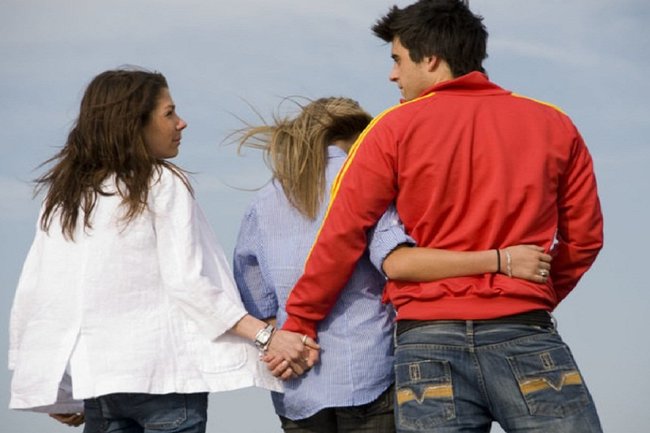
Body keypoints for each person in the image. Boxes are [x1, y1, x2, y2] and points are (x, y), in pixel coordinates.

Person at [276, 1, 604, 432]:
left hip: (427, 345)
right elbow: (584, 239)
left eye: (397, 59)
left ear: (430, 59)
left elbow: (342, 234)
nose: (392, 74)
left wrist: (300, 320)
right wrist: (531, 293)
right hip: (524, 332)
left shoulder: (391, 129)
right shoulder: (554, 124)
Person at [8, 68, 318, 433]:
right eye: (169, 113)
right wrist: (266, 336)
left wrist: (58, 387)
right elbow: (188, 283)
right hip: (166, 379)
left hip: (101, 383)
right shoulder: (160, 182)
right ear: (134, 123)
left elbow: (41, 294)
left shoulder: (66, 196)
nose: (181, 123)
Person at [233, 97, 555, 433]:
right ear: (363, 137)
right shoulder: (364, 181)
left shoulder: (264, 200)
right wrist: (500, 260)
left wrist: (286, 347)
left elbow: (256, 298)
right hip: (368, 374)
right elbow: (397, 263)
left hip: (297, 384)